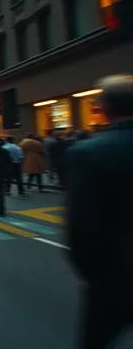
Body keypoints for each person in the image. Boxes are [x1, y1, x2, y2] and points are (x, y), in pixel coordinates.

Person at [65, 74, 133, 348]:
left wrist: (97, 277)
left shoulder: (88, 152)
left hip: (114, 280)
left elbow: (82, 228)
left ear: (104, 109)